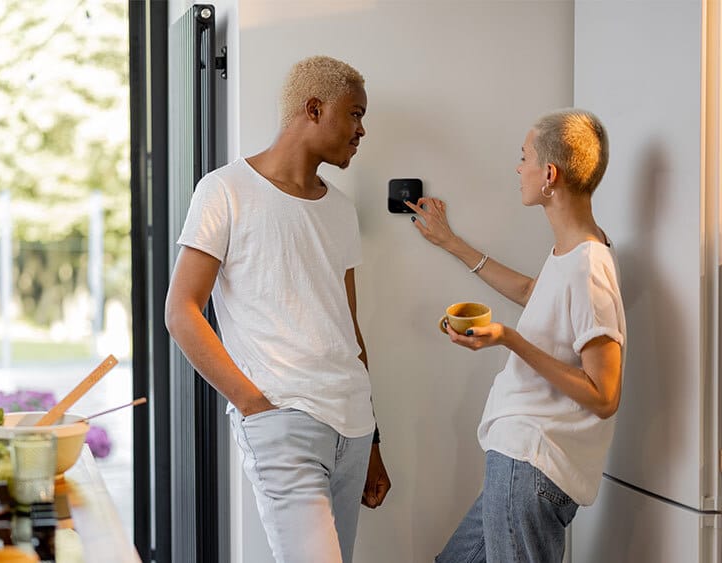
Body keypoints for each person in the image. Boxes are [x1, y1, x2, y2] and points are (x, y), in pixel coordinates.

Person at [164, 55, 391, 563]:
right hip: (283, 420)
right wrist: (253, 405)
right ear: (313, 108)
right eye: (354, 114)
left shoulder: (340, 209)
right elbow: (181, 311)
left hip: (353, 426)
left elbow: (349, 330)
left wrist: (374, 440)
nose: (362, 130)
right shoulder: (225, 191)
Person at [408, 109, 625, 562]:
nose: (517, 167)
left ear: (549, 174)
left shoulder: (589, 265)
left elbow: (604, 395)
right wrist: (452, 243)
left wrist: (509, 339)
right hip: (521, 461)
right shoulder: (573, 250)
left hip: (532, 463)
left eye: (523, 157)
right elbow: (533, 291)